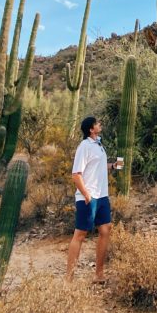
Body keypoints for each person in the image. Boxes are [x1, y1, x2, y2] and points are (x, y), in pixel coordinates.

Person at [65, 116, 120, 282]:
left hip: (102, 196)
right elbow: (76, 174)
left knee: (106, 230)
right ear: (91, 129)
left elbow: (98, 167)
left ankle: (99, 274)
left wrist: (113, 166)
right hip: (88, 197)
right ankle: (68, 278)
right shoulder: (84, 146)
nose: (100, 125)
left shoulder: (99, 146)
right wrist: (87, 194)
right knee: (80, 234)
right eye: (97, 123)